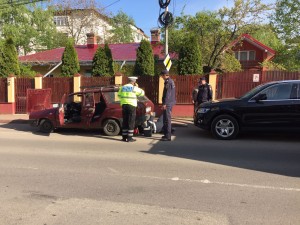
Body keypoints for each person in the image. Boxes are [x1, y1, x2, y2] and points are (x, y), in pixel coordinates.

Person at [118, 77, 145, 142]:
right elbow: (142, 93)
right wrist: (137, 87)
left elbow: (119, 95)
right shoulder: (134, 88)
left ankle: (124, 137)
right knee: (131, 121)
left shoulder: (122, 87)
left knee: (125, 121)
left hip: (124, 105)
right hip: (131, 105)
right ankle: (130, 138)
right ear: (134, 82)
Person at [161, 70, 176, 141]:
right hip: (169, 102)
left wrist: (165, 104)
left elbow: (167, 94)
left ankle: (168, 136)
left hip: (168, 103)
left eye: (162, 76)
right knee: (166, 119)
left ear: (165, 75)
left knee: (167, 119)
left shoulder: (168, 82)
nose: (161, 77)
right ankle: (166, 134)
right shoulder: (170, 81)